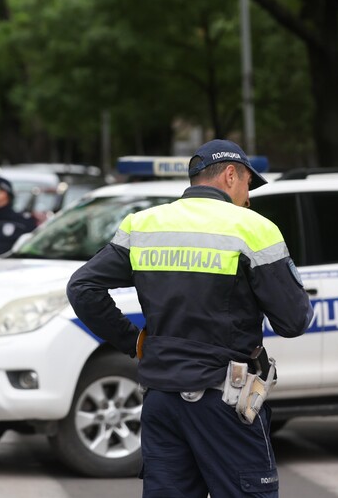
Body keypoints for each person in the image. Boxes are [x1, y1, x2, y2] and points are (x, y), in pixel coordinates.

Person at [67, 139, 313, 498]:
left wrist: (134, 342)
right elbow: (294, 321)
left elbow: (82, 288)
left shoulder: (143, 224)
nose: (248, 197)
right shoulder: (252, 227)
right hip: (223, 400)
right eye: (248, 184)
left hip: (161, 399)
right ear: (231, 175)